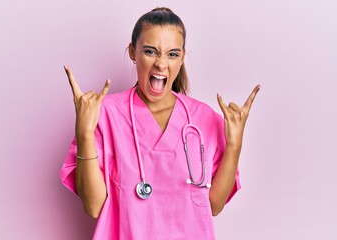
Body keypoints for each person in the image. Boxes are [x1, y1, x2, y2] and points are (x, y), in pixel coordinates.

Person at [60, 7, 260, 240]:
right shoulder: (105, 114)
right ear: (133, 52)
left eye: (172, 54)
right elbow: (93, 206)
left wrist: (235, 145)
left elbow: (214, 206)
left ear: (182, 57)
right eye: (150, 51)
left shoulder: (205, 118)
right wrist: (84, 133)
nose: (161, 64)